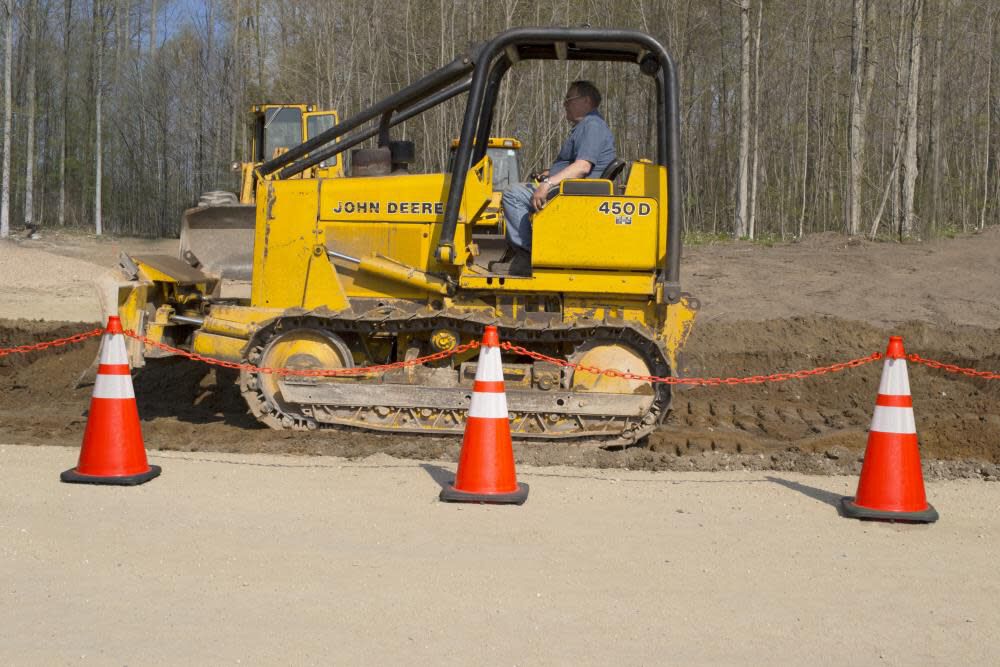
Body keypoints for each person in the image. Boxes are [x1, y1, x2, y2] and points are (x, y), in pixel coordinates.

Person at [499, 80, 616, 275]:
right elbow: (576, 163)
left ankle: (528, 255)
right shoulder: (586, 126)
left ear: (586, 101)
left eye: (569, 99)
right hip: (571, 190)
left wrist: (547, 184)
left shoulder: (592, 125)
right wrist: (549, 173)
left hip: (573, 195)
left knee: (513, 194)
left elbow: (583, 166)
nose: (564, 104)